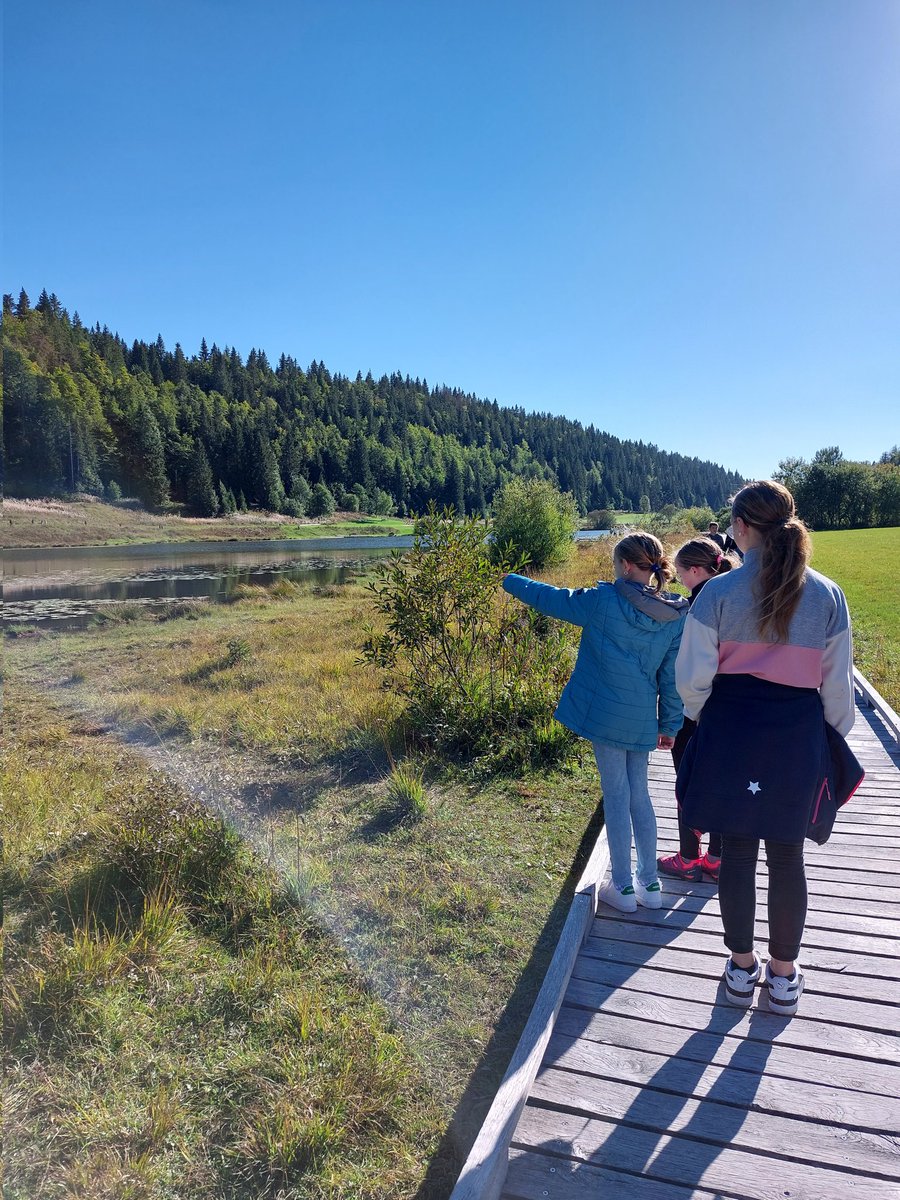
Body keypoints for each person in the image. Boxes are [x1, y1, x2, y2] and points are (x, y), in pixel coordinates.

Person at [675, 480, 854, 1016]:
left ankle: (740, 969)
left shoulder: (716, 593)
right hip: (795, 735)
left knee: (736, 854)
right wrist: (828, 741)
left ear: (742, 527)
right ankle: (783, 978)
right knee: (787, 855)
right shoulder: (826, 593)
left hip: (732, 730)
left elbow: (692, 681)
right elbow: (837, 688)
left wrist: (707, 718)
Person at [503, 533, 689, 913]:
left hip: (605, 717)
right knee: (640, 794)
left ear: (624, 566)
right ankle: (649, 884)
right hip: (640, 719)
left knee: (616, 796)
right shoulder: (674, 615)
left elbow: (551, 598)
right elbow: (671, 679)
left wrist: (509, 579)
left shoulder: (603, 601)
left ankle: (621, 886)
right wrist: (669, 725)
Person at [657, 536, 738, 883]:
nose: (677, 578)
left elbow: (685, 665)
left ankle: (689, 859)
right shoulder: (736, 596)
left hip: (695, 709)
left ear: (694, 570)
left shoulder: (695, 607)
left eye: (679, 572)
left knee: (688, 783)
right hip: (732, 707)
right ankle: (717, 859)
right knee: (724, 782)